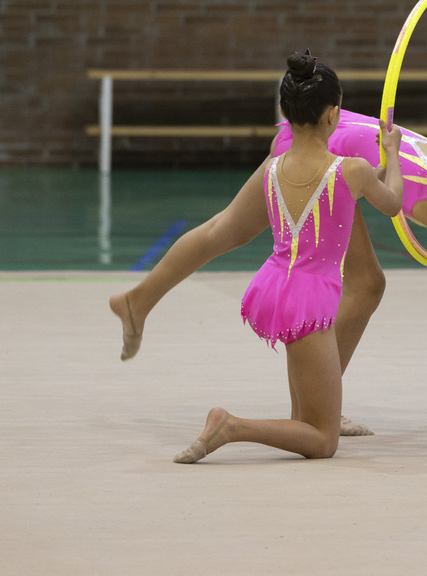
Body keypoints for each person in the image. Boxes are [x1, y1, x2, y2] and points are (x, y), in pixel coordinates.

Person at [110, 66, 427, 435]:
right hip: (325, 149)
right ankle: (138, 300)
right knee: (230, 230)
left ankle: (322, 402)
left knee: (369, 283)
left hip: (357, 139)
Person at [171, 50, 405, 463]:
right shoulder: (351, 170)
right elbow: (392, 204)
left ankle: (239, 425)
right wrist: (393, 154)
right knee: (322, 440)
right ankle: (230, 425)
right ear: (334, 114)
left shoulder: (273, 168)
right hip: (309, 297)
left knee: (304, 420)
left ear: (284, 110)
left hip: (276, 284)